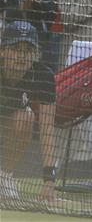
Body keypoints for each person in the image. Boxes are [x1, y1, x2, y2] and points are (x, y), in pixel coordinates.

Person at [0, 21, 57, 201]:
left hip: (9, 127)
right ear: (2, 50)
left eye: (28, 50)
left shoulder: (44, 77)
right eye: (16, 48)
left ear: (36, 54)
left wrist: (49, 181)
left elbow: (47, 130)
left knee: (26, 117)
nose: (21, 56)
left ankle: (4, 177)